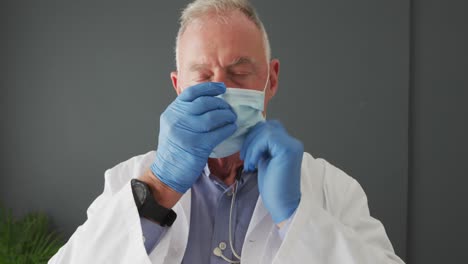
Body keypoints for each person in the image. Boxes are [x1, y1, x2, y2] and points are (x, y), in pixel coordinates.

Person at [49, 0, 405, 263]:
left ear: (271, 79)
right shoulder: (125, 182)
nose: (220, 89)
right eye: (203, 75)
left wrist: (296, 216)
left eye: (239, 72)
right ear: (178, 86)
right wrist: (158, 189)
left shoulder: (332, 190)